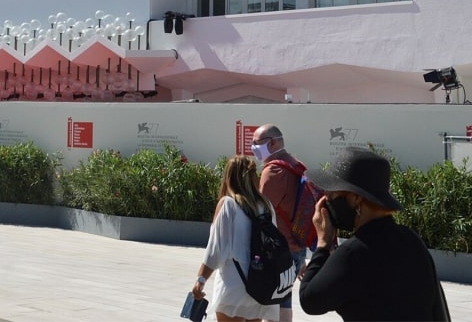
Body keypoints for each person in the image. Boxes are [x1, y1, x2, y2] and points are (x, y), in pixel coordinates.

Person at [299, 146, 449, 321]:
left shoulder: (353, 253)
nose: (326, 201)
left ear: (356, 198)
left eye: (331, 194)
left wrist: (323, 243)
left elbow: (310, 300)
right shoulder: (411, 240)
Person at [192, 155, 281, 322]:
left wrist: (201, 279)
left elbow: (215, 249)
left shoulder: (228, 204)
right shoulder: (266, 205)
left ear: (229, 177)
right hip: (260, 284)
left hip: (234, 284)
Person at [252, 124, 309, 322]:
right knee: (283, 297)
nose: (253, 147)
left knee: (269, 302)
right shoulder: (295, 164)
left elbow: (261, 214)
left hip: (278, 249)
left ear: (273, 142)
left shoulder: (274, 171)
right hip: (296, 245)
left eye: (256, 143)